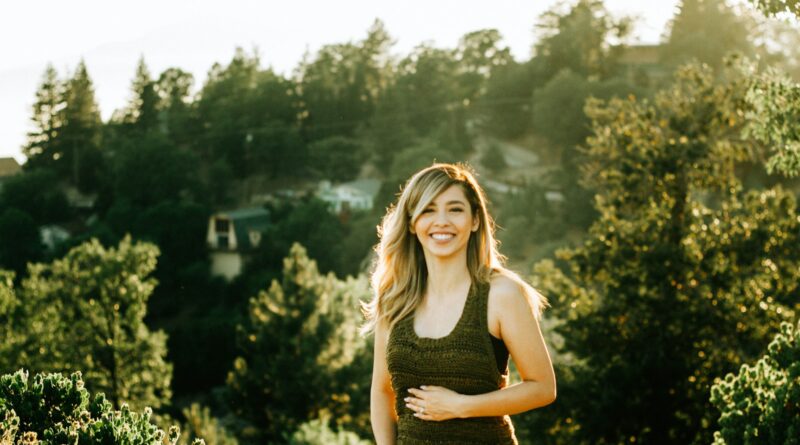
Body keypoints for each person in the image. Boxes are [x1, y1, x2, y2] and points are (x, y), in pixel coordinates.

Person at [362, 162, 557, 445]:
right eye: (428, 210)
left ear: (475, 220)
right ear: (413, 223)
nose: (442, 221)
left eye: (455, 209)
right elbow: (382, 392)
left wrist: (460, 406)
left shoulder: (501, 294)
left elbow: (543, 388)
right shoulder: (395, 299)